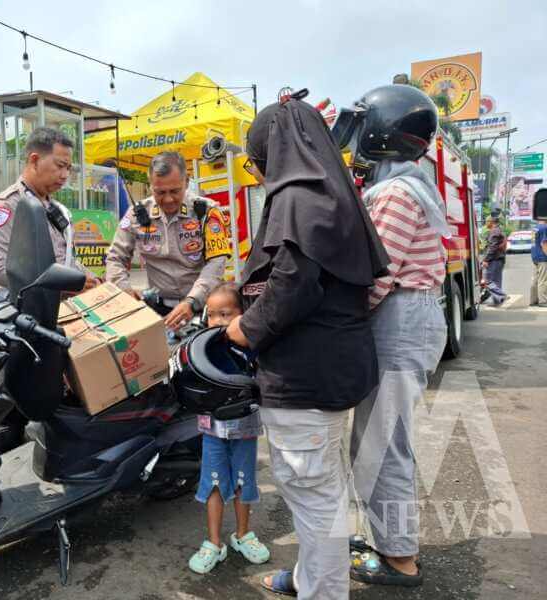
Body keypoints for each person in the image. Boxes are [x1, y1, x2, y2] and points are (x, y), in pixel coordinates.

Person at [224, 96, 389, 599]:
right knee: (323, 492)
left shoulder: (298, 198)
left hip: (304, 377)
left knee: (314, 498)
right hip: (332, 372)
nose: (256, 172)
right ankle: (310, 580)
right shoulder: (331, 192)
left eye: (255, 161)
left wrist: (245, 328)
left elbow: (293, 282)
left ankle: (323, 590)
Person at [334, 84, 449, 588]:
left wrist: (333, 322)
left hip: (400, 320)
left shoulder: (396, 193)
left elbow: (377, 276)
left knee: (383, 443)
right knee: (375, 439)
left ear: (381, 132)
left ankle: (400, 558)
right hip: (406, 318)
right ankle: (388, 540)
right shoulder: (406, 184)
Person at [188, 282, 269, 574]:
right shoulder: (202, 346)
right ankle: (213, 543)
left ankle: (242, 535)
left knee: (243, 481)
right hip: (212, 429)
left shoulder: (251, 345)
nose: (217, 321)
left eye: (225, 314)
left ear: (242, 315)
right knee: (213, 482)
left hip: (245, 428)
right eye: (211, 315)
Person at [106, 151, 229, 331]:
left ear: (186, 182)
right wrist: (125, 291)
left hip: (204, 309)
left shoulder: (207, 212)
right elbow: (115, 257)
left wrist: (192, 301)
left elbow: (216, 263)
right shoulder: (136, 215)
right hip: (158, 311)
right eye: (160, 192)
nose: (168, 199)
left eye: (175, 191)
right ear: (150, 185)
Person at [0, 127, 98, 291]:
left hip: (65, 304)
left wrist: (93, 279)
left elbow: (65, 260)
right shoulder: (8, 206)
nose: (65, 175)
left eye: (68, 168)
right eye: (60, 165)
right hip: (28, 305)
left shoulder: (59, 210)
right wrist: (62, 284)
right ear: (35, 161)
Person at [482, 214, 507, 305]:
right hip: (498, 259)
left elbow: (492, 247)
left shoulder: (494, 231)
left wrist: (486, 259)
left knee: (488, 281)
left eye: (486, 221)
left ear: (491, 222)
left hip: (494, 260)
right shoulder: (498, 230)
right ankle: (497, 300)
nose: (485, 223)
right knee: (496, 281)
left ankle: (501, 295)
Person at [530, 219, 547, 306]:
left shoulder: (534, 228)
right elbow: (544, 244)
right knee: (543, 280)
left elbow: (533, 243)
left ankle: (533, 300)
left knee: (535, 279)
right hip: (542, 257)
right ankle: (543, 301)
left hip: (534, 256)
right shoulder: (544, 228)